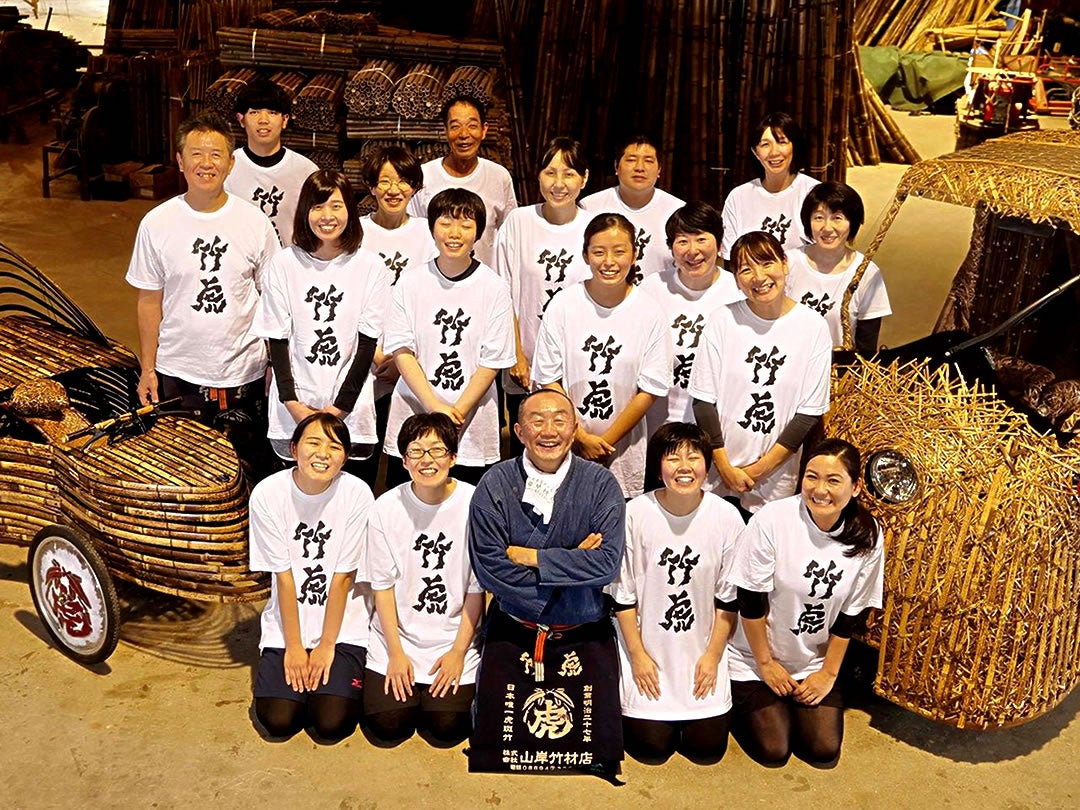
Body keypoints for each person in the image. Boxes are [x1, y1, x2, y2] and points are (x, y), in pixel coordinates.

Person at [467, 389, 626, 776]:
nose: (549, 430)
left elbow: (607, 565)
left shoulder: (601, 483)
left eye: (559, 420)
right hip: (515, 623)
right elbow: (489, 568)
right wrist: (573, 561)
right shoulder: (495, 483)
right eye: (537, 421)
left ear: (574, 429)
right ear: (519, 431)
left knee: (595, 742)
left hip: (583, 623)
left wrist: (533, 556)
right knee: (498, 740)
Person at [125, 111, 278, 475]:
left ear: (230, 163)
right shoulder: (157, 223)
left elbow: (274, 299)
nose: (206, 163)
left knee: (244, 470)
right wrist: (148, 369)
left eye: (215, 154)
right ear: (180, 161)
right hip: (178, 371)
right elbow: (149, 301)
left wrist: (276, 364)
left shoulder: (254, 222)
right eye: (196, 154)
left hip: (244, 372)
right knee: (180, 472)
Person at [724, 438, 884, 767]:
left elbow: (851, 614)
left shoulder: (867, 533)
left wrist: (828, 673)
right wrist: (766, 664)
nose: (820, 489)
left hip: (812, 659)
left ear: (855, 487)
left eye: (833, 480)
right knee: (774, 750)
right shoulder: (773, 519)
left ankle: (790, 697)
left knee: (821, 749)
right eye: (812, 477)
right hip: (754, 656)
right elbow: (750, 601)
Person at [610, 423, 744, 765]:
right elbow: (623, 597)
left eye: (693, 457)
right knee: (650, 750)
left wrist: (712, 656)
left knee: (707, 751)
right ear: (658, 468)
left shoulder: (727, 516)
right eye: (673, 458)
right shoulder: (635, 513)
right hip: (647, 649)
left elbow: (728, 599)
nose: (684, 467)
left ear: (707, 465)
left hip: (702, 650)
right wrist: (638, 657)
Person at [249, 413, 374, 742]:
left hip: (343, 625)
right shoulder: (267, 494)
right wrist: (294, 647)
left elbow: (343, 577)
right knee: (278, 719)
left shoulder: (357, 493)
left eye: (334, 447)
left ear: (345, 457)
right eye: (313, 443)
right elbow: (284, 576)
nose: (323, 453)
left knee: (331, 722)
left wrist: (326, 645)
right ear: (293, 449)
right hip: (288, 624)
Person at [688, 231, 831, 515]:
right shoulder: (722, 320)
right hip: (718, 473)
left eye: (767, 263)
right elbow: (703, 401)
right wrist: (724, 467)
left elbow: (808, 414)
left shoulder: (813, 327)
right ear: (736, 278)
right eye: (745, 269)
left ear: (785, 264)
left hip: (774, 480)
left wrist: (757, 471)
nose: (758, 276)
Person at [363, 413, 484, 747]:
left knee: (447, 728)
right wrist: (395, 653)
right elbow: (382, 586)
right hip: (397, 636)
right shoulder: (386, 507)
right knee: (388, 725)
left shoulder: (475, 502)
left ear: (453, 457)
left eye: (437, 450)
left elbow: (476, 588)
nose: (426, 460)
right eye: (416, 451)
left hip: (453, 636)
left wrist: (458, 651)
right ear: (404, 461)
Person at [251, 170, 387, 463]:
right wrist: (292, 403)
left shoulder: (371, 267)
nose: (327, 216)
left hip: (350, 408)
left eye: (336, 206)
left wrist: (339, 410)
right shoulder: (284, 263)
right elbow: (277, 338)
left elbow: (367, 344)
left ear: (350, 210)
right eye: (317, 206)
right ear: (304, 211)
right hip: (293, 408)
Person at [382, 187, 515, 487]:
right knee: (409, 494)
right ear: (431, 227)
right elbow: (402, 349)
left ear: (478, 231)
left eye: (466, 225)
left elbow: (492, 360)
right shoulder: (410, 282)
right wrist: (433, 407)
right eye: (445, 223)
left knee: (467, 498)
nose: (455, 233)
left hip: (471, 416)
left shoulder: (493, 287)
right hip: (415, 409)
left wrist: (455, 413)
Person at [532, 212, 672, 499]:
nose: (609, 262)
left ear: (634, 254)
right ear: (585, 255)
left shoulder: (650, 312)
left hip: (624, 448)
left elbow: (650, 388)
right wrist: (579, 436)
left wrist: (603, 443)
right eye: (598, 252)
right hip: (563, 442)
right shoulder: (564, 305)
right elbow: (548, 376)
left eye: (619, 252)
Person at [494, 136, 592, 450]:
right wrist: (516, 355)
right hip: (525, 363)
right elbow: (502, 293)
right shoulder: (518, 222)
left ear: (584, 178)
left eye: (569, 174)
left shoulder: (594, 227)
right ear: (538, 176)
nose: (558, 184)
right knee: (527, 449)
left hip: (580, 365)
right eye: (550, 173)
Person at [356, 144, 439, 484]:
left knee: (408, 457)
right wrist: (375, 353)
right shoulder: (356, 232)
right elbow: (349, 298)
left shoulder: (428, 233)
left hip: (415, 361)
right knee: (362, 456)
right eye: (385, 181)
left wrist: (402, 357)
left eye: (403, 181)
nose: (394, 189)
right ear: (371, 187)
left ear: (415, 186)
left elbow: (435, 299)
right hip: (366, 359)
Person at [641, 201, 743, 439]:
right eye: (682, 241)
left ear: (719, 244)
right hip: (660, 424)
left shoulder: (738, 290)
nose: (692, 250)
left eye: (701, 239)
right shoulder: (651, 289)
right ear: (671, 248)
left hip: (720, 424)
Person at [407, 94, 517, 267]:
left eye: (472, 126)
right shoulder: (424, 176)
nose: (464, 134)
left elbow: (510, 234)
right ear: (445, 131)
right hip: (434, 277)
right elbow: (412, 233)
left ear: (484, 130)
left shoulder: (499, 176)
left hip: (484, 277)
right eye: (455, 126)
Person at [786, 182, 891, 355]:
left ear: (852, 222)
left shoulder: (866, 272)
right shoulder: (788, 263)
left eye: (837, 218)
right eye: (818, 217)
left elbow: (866, 347)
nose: (827, 228)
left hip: (839, 368)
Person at [225, 77, 319, 247]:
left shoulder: (306, 171)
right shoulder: (227, 168)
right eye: (254, 112)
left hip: (292, 260)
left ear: (285, 120)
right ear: (241, 119)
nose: (263, 120)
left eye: (272, 112)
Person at [580, 133, 684, 280]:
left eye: (648, 161)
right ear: (616, 166)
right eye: (631, 160)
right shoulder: (590, 207)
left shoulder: (678, 211)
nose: (639, 168)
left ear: (659, 169)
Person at [720, 112, 820, 261]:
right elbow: (730, 257)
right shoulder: (738, 197)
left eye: (782, 142)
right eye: (765, 144)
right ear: (755, 151)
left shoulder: (814, 193)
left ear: (794, 146)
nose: (774, 152)